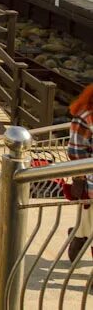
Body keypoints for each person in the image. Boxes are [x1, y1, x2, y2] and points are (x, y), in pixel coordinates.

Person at [66, 83, 93, 260]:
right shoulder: (85, 117)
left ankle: (78, 235)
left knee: (88, 222)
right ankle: (78, 236)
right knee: (89, 220)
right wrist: (80, 176)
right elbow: (76, 152)